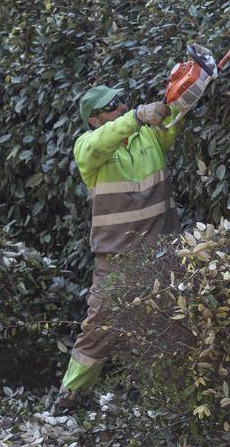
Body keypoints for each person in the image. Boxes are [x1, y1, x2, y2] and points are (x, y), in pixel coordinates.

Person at [54, 85, 183, 413]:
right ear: (95, 120)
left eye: (122, 101)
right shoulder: (88, 148)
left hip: (162, 255)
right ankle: (67, 400)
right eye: (113, 105)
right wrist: (136, 115)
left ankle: (174, 409)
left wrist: (192, 83)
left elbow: (178, 111)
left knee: (173, 330)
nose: (122, 106)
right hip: (117, 260)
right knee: (99, 331)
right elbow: (100, 142)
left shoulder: (150, 136)